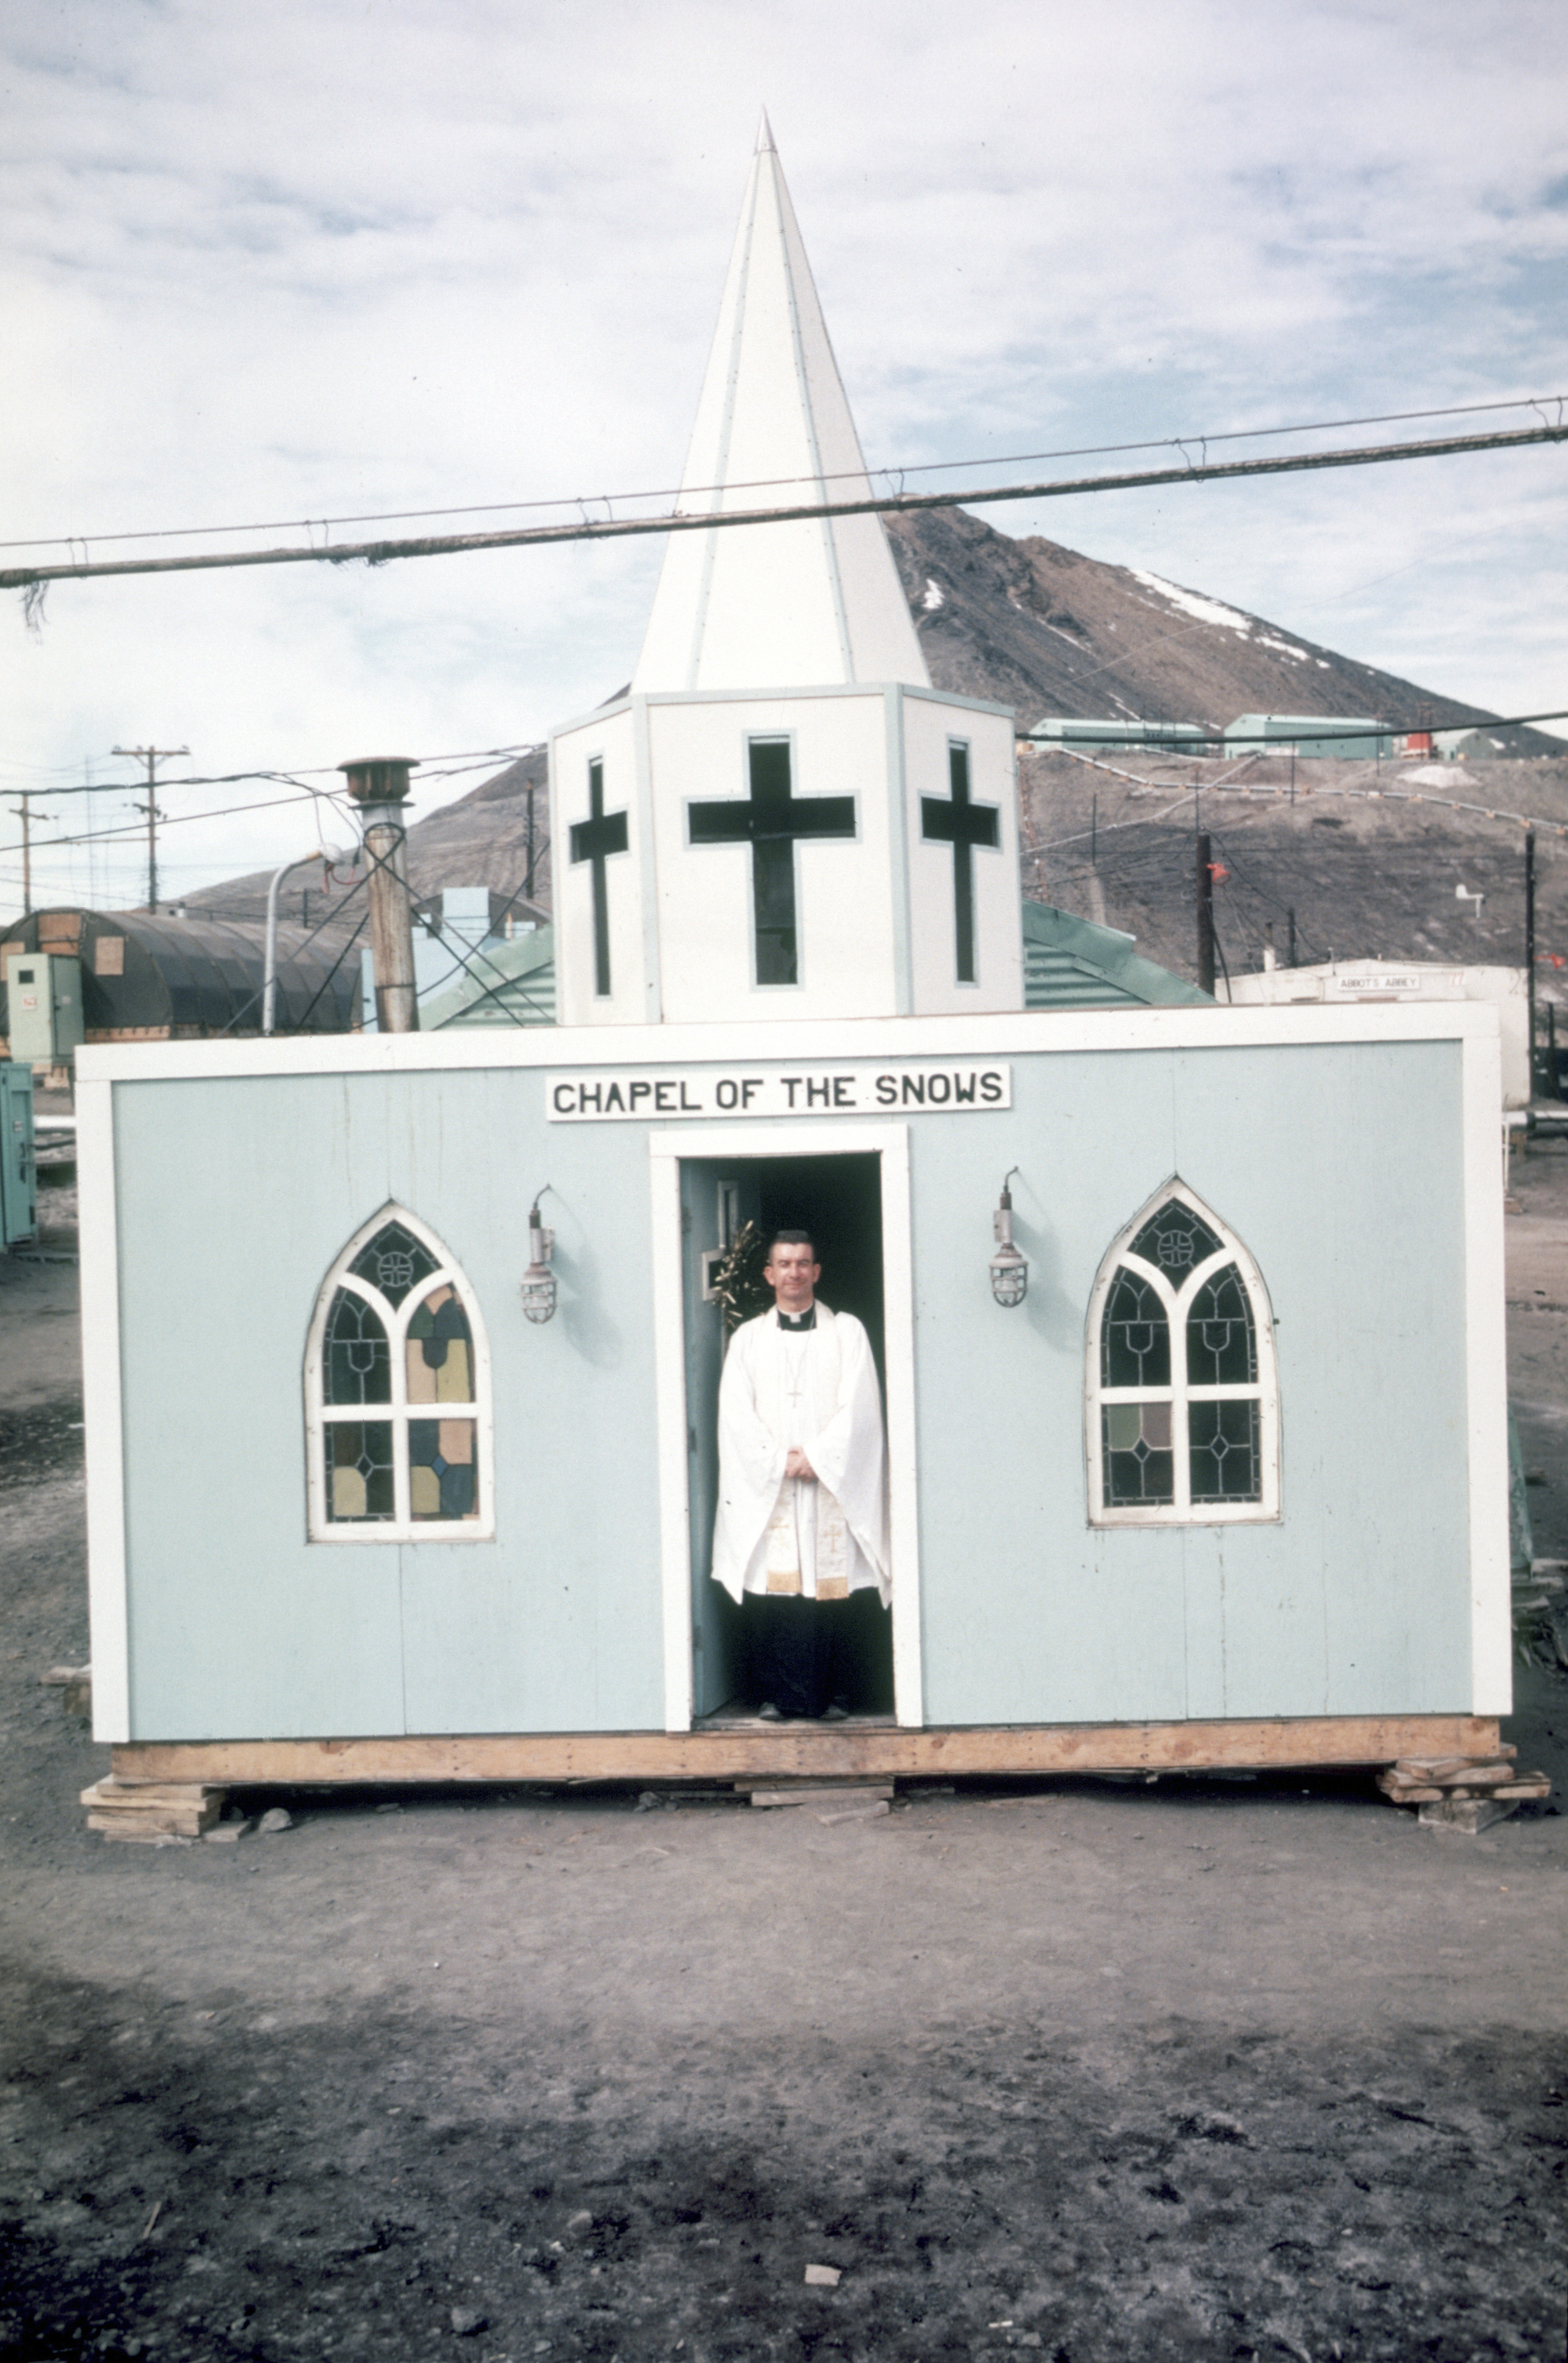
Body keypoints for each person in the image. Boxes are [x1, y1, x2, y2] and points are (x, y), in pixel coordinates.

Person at [711, 1229, 889, 1720]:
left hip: (829, 1481)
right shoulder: (747, 1339)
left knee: (834, 1585)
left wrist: (819, 1455)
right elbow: (734, 1414)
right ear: (770, 1275)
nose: (793, 1272)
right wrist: (778, 1461)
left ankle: (836, 1697)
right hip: (776, 1485)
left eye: (803, 1263)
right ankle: (778, 1697)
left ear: (816, 1272)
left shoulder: (847, 1332)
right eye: (784, 1264)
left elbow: (862, 1406)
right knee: (779, 1588)